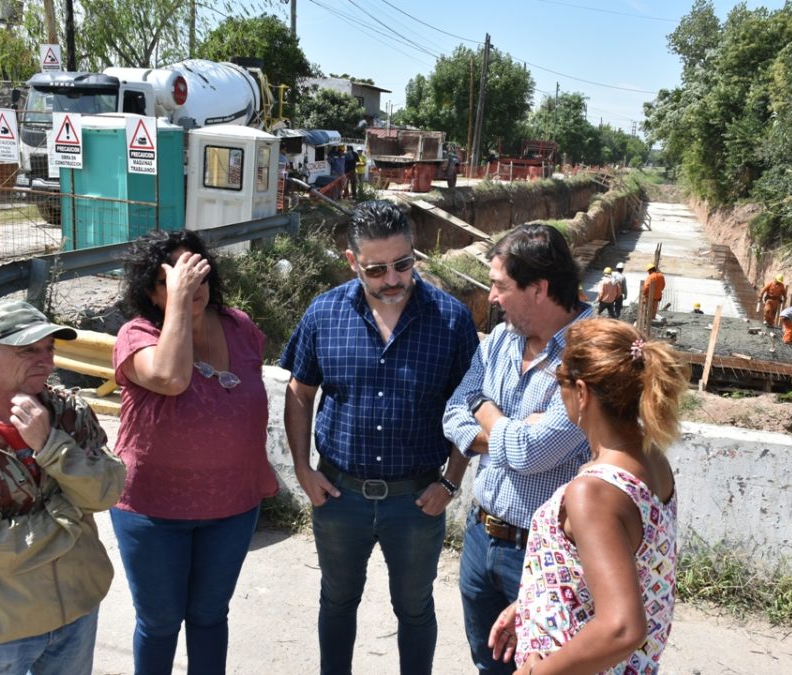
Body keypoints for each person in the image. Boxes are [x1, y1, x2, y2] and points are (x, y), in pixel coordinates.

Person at [280, 200, 479, 675]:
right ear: (352, 262)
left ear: (415, 254)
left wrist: (450, 482)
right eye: (376, 269)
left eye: (403, 264)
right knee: (336, 601)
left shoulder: (450, 320)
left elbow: (470, 407)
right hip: (338, 496)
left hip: (415, 502)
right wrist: (303, 470)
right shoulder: (324, 313)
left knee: (414, 609)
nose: (392, 278)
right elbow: (300, 392)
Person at [0, 300, 127, 675]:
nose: (47, 362)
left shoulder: (68, 412)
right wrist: (69, 512)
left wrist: (50, 444)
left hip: (77, 610)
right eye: (28, 350)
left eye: (49, 349)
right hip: (0, 630)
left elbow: (106, 492)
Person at [111, 230, 279, 675]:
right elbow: (170, 378)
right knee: (161, 623)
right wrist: (180, 305)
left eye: (198, 273)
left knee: (209, 617)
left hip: (231, 507)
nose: (193, 286)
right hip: (152, 510)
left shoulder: (240, 327)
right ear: (151, 289)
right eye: (176, 278)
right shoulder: (136, 335)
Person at [488, 319, 686, 674]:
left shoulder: (593, 492)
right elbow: (622, 568)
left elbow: (621, 627)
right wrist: (532, 604)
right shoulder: (651, 458)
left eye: (559, 383)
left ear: (582, 392)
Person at [442, 223, 593, 674]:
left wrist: (484, 412)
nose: (491, 297)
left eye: (500, 286)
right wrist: (511, 428)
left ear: (539, 288)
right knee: (488, 664)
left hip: (547, 556)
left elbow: (533, 454)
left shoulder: (592, 357)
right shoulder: (504, 338)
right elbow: (454, 411)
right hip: (479, 536)